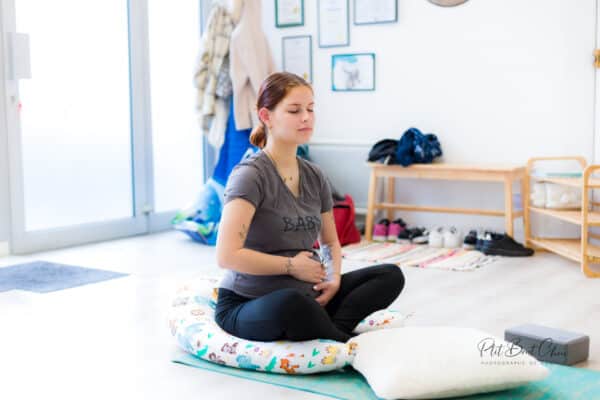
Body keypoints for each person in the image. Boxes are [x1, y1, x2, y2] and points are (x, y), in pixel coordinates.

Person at [215, 72, 405, 343]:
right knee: (290, 304)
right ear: (266, 117)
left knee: (389, 275)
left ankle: (327, 331)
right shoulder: (250, 175)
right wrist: (291, 266)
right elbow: (226, 256)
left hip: (310, 294)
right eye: (294, 110)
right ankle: (341, 341)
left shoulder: (315, 175)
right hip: (248, 301)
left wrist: (334, 278)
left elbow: (329, 242)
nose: (306, 117)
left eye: (310, 109)